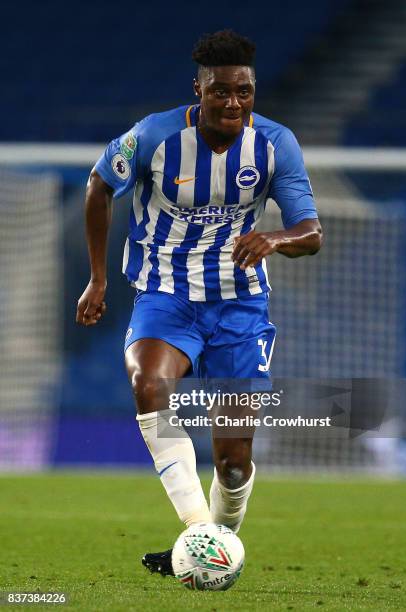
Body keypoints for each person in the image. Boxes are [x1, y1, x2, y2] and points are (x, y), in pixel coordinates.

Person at [76, 29, 322, 577]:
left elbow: (311, 232)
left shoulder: (276, 143)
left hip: (240, 308)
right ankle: (197, 537)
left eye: (244, 92)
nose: (233, 102)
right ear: (199, 89)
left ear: (253, 91)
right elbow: (97, 187)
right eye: (220, 92)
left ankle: (215, 544)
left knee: (232, 463)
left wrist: (274, 240)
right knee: (149, 384)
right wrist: (98, 280)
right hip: (165, 295)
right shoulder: (154, 137)